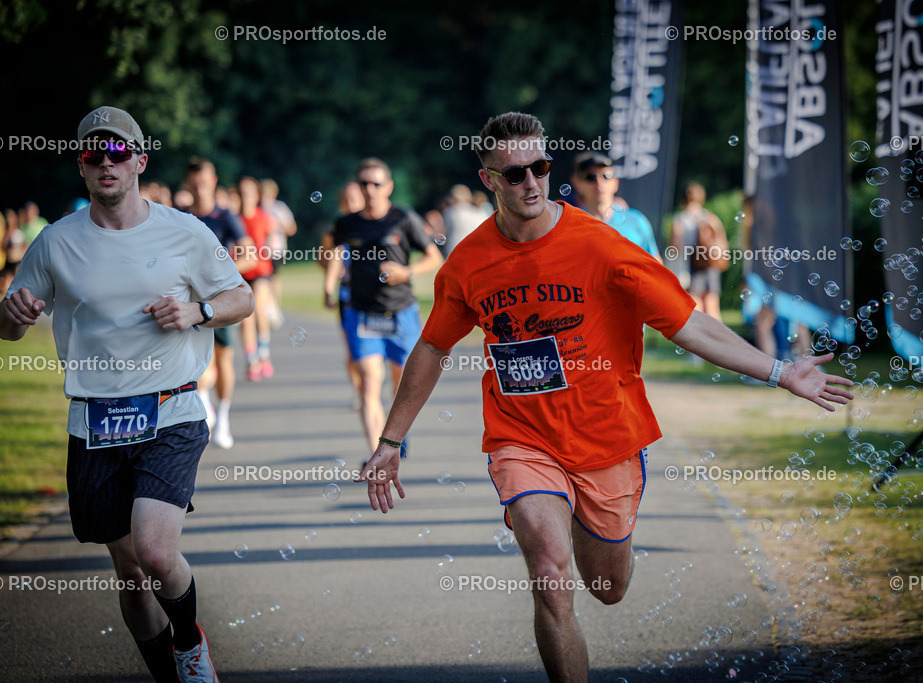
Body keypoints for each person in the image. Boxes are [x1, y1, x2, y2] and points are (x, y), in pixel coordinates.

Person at [355, 112, 854, 683]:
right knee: (549, 570)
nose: (530, 184)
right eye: (514, 174)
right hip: (522, 437)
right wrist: (391, 440)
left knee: (607, 588)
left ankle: (589, 523)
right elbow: (432, 348)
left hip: (607, 436)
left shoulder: (603, 248)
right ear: (488, 178)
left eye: (539, 168)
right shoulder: (469, 262)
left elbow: (689, 324)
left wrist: (780, 371)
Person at [0, 105, 253, 682]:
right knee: (131, 570)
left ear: (139, 160)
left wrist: (197, 310)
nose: (106, 162)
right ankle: (166, 674)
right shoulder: (55, 242)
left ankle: (190, 646)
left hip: (171, 409)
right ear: (81, 168)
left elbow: (242, 299)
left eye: (118, 152)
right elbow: (8, 326)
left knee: (156, 553)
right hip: (94, 421)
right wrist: (11, 314)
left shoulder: (184, 231)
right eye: (94, 153)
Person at [324, 158, 443, 455]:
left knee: (401, 384)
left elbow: (434, 257)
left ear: (388, 187)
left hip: (401, 314)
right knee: (368, 385)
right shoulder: (347, 223)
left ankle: (397, 430)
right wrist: (329, 283)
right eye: (364, 183)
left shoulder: (403, 219)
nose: (369, 189)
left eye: (376, 183)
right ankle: (377, 455)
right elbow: (332, 251)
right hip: (361, 314)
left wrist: (407, 272)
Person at [185, 157, 252, 449]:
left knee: (223, 359)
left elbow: (250, 253)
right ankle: (204, 404)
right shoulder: (180, 217)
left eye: (205, 182)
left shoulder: (226, 217)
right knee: (197, 362)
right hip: (189, 302)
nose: (200, 189)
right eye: (195, 183)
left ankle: (222, 415)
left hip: (221, 301)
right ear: (189, 184)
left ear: (213, 181)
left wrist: (227, 276)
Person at [320, 182, 365, 405]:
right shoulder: (337, 230)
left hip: (374, 298)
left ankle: (370, 390)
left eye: (355, 199)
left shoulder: (374, 227)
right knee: (352, 350)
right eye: (346, 200)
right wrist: (328, 288)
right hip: (347, 297)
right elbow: (328, 259)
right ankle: (359, 391)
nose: (351, 205)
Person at [569, 152, 661, 262]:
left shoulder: (637, 221)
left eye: (606, 176)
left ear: (615, 182)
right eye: (591, 177)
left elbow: (656, 265)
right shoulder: (571, 224)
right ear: (578, 184)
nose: (599, 182)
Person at [236, 176, 276, 382]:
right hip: (241, 273)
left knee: (259, 309)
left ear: (256, 195)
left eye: (250, 193)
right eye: (242, 193)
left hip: (261, 271)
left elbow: (272, 242)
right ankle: (252, 359)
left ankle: (264, 352)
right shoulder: (234, 219)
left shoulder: (263, 217)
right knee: (246, 319)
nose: (246, 197)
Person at [672, 182, 725, 321]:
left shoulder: (680, 218)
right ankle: (718, 340)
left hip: (692, 265)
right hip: (710, 263)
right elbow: (721, 241)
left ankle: (702, 341)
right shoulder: (709, 217)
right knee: (712, 305)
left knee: (697, 306)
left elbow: (676, 246)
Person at [260, 178, 297, 330]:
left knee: (273, 278)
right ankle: (267, 306)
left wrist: (279, 225)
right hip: (260, 251)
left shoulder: (279, 208)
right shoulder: (256, 209)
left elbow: (292, 229)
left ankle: (274, 306)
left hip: (276, 249)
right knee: (264, 279)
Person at [441, 184, 484, 255]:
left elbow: (445, 231)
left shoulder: (450, 212)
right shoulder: (479, 213)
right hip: (474, 251)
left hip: (453, 250)